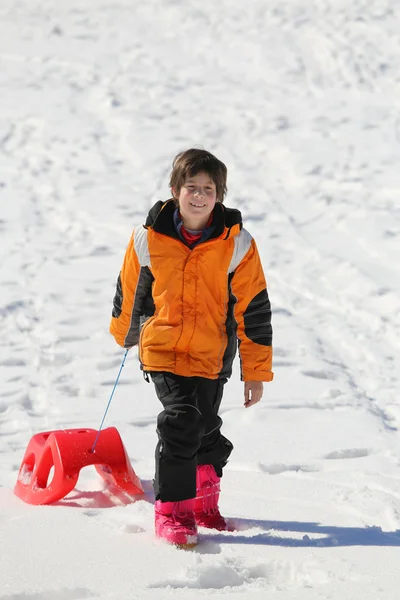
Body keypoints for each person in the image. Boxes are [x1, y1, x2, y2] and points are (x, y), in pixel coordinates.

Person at [110, 148, 273, 547]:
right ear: (174, 190)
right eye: (191, 187)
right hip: (163, 350)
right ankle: (174, 512)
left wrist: (255, 370)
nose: (199, 196)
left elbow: (254, 309)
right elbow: (130, 291)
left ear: (220, 195)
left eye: (208, 189)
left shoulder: (236, 244)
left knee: (205, 429)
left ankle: (203, 501)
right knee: (181, 422)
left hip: (211, 355)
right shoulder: (148, 238)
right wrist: (125, 334)